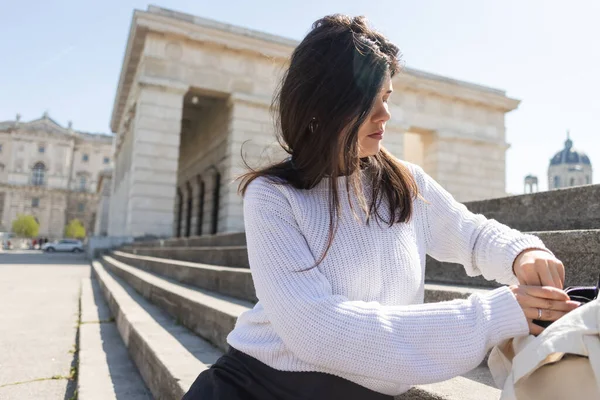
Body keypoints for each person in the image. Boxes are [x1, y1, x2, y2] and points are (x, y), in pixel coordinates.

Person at [183, 14, 579, 400]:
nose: (385, 113)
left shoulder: (405, 182)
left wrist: (521, 253)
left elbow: (472, 235)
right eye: (366, 101)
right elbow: (317, 330)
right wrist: (492, 316)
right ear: (322, 104)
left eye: (386, 97)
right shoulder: (272, 194)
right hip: (254, 384)